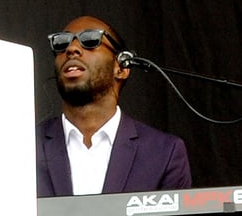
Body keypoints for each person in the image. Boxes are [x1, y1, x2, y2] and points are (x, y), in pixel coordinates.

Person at [36, 15, 192, 195]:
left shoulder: (163, 152)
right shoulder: (22, 147)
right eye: (61, 43)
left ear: (122, 68)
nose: (72, 49)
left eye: (90, 40)